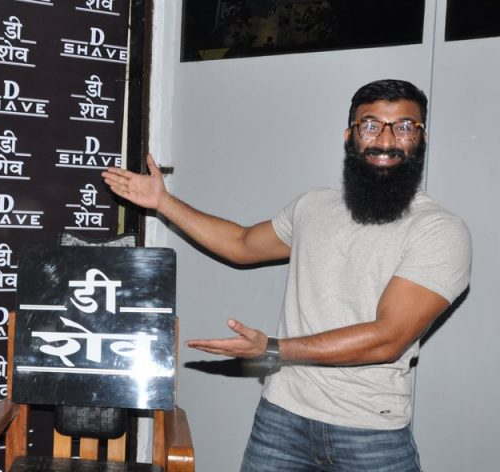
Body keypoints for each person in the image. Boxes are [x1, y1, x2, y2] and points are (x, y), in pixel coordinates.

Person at [102, 79, 471, 471]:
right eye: (370, 125)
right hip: (281, 421)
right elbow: (242, 243)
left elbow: (388, 338)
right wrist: (163, 202)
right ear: (350, 136)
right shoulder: (314, 206)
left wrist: (273, 349)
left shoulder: (439, 231)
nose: (385, 140)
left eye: (403, 127)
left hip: (370, 434)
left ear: (421, 138)